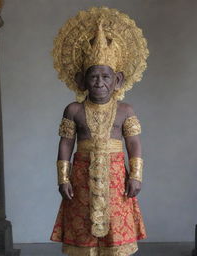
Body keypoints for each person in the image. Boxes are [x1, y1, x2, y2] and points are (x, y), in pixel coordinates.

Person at [50, 7, 149, 256]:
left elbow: (134, 144)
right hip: (82, 174)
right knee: (82, 223)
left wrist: (136, 175)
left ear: (117, 80)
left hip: (116, 176)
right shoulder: (73, 109)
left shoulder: (125, 110)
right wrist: (63, 178)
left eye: (106, 76)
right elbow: (65, 144)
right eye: (93, 76)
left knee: (116, 223)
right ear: (83, 80)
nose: (99, 82)